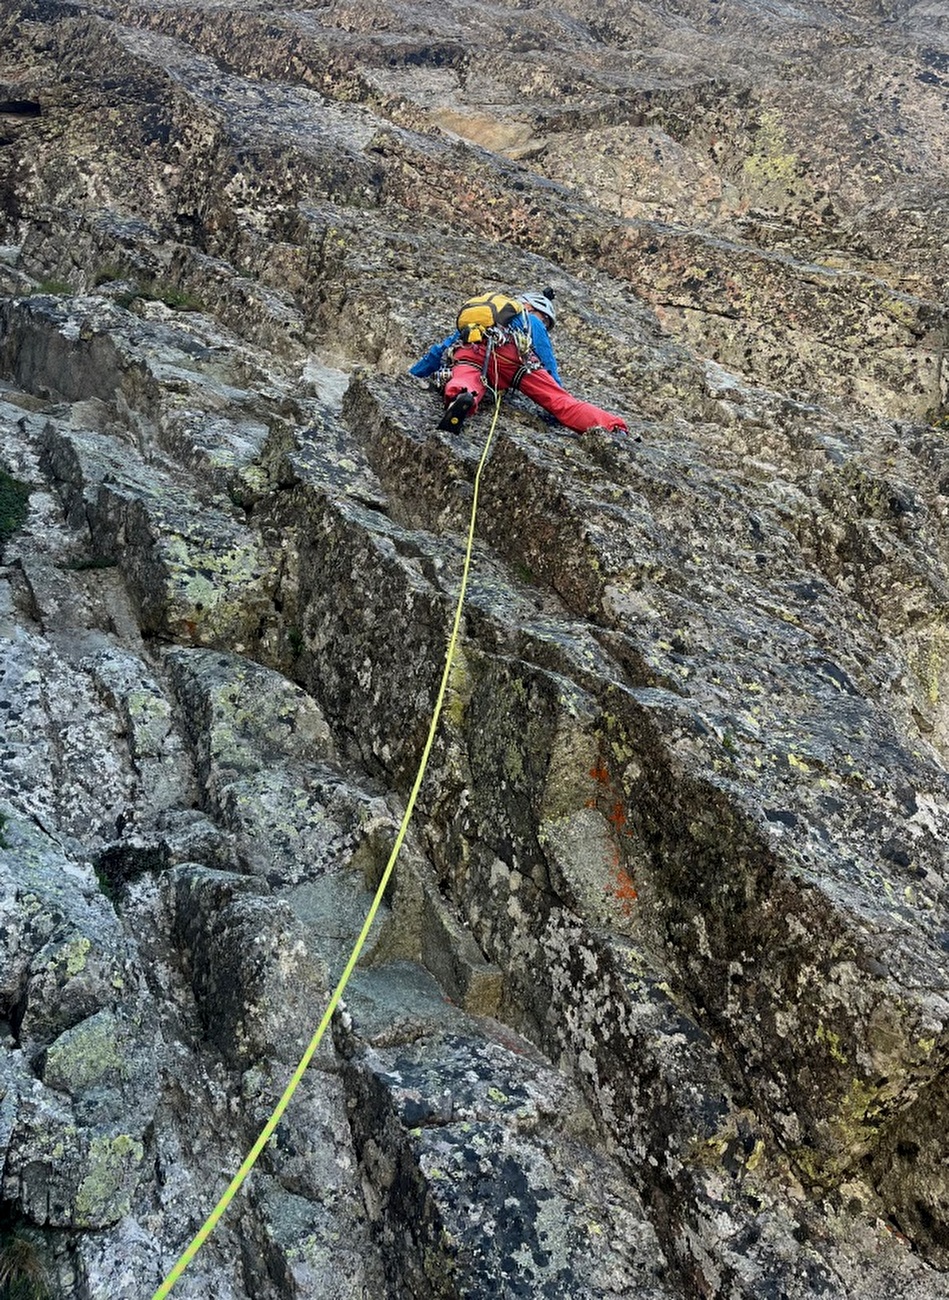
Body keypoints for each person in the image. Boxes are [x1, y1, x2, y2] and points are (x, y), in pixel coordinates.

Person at [409, 288, 628, 435]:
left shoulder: (483, 319)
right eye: (545, 319)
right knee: (562, 403)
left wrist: (414, 374)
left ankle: (461, 396)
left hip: (473, 352)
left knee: (467, 377)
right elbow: (546, 359)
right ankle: (614, 426)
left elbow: (441, 350)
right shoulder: (530, 319)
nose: (544, 324)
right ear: (532, 308)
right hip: (515, 360)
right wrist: (555, 390)